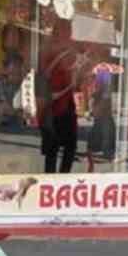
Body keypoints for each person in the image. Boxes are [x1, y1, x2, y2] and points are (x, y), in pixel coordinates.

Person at [36, 21, 80, 175]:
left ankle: (61, 179)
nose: (68, 35)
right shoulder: (52, 52)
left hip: (65, 106)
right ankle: (55, 180)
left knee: (66, 148)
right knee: (56, 149)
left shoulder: (65, 51)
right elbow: (52, 82)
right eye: (66, 32)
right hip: (54, 107)